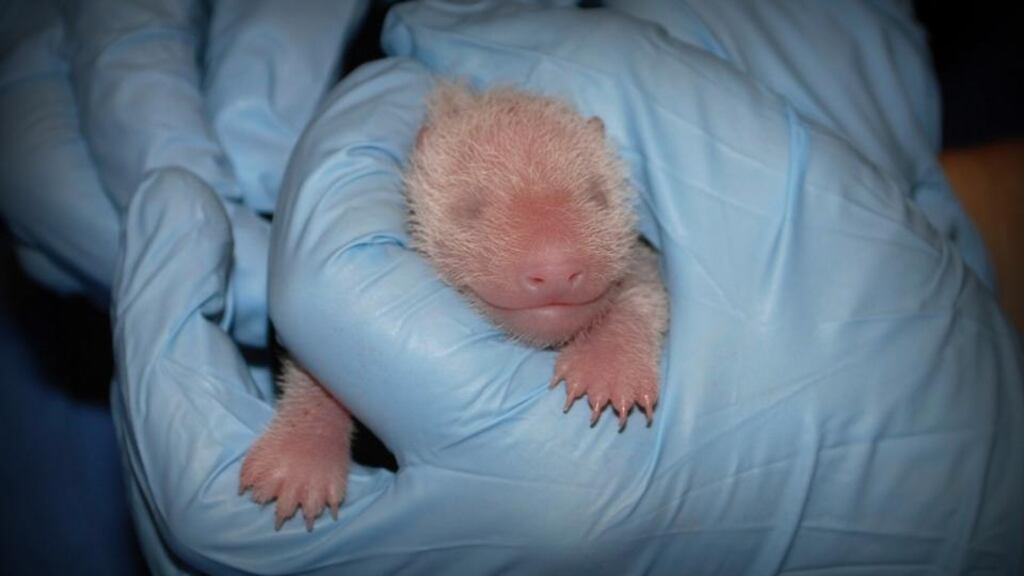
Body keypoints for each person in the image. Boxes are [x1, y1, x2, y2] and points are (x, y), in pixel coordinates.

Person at [3, 1, 1021, 573]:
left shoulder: (626, 218)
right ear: (412, 186)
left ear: (609, 164)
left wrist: (617, 333)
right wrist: (310, 430)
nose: (555, 254)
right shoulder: (393, 214)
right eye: (479, 214)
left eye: (586, 195)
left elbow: (644, 278)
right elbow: (329, 353)